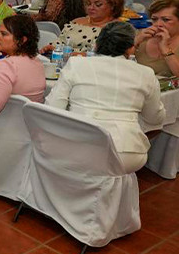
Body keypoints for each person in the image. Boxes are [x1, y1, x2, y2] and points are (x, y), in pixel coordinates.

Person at [47, 22, 165, 173]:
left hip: (78, 146)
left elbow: (53, 108)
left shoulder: (76, 64)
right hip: (127, 153)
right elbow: (155, 119)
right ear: (130, 48)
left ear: (96, 44)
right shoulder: (146, 73)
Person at [0, 15, 45, 116]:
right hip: (25, 127)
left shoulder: (7, 66)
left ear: (22, 40)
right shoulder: (37, 63)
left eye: (4, 34)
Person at [42, 0, 124, 55]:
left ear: (113, 6)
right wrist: (49, 47)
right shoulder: (76, 22)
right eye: (88, 4)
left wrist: (76, 55)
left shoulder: (117, 28)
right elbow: (60, 42)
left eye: (98, 4)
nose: (91, 7)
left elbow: (108, 56)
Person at [135, 0, 179, 77]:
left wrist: (165, 49)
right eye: (154, 19)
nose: (158, 24)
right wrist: (134, 44)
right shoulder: (141, 37)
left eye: (166, 20)